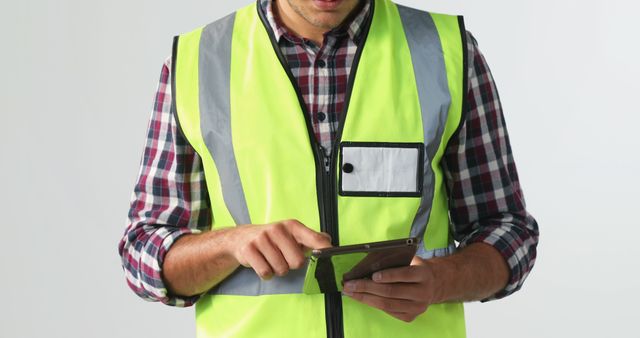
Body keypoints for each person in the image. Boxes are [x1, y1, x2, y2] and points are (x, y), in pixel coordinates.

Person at [118, 0, 539, 337]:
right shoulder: (197, 62)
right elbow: (143, 253)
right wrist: (229, 244)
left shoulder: (447, 52)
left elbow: (508, 231)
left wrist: (440, 280)